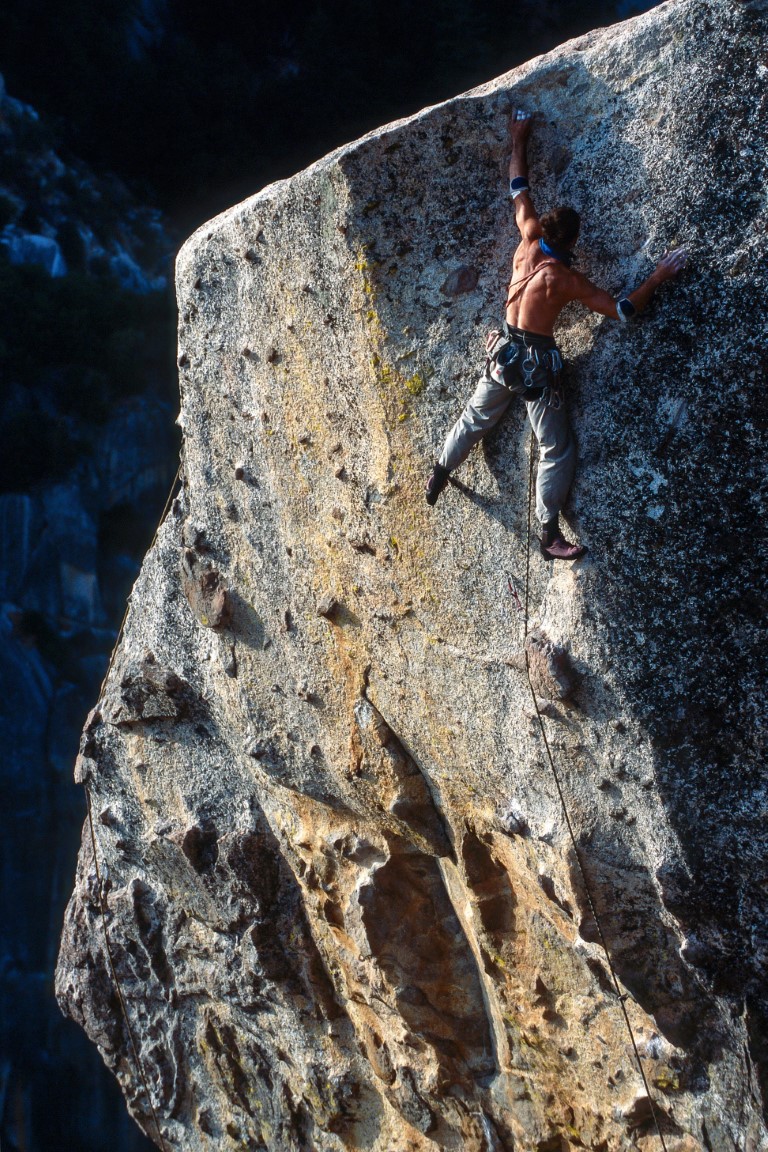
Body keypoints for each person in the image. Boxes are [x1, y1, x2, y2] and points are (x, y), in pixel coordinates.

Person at [425, 108, 687, 560]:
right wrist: (658, 276)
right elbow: (622, 310)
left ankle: (441, 469)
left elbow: (518, 186)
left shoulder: (526, 237)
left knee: (475, 418)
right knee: (557, 448)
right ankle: (548, 535)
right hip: (534, 367)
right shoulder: (563, 280)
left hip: (502, 350)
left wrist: (518, 139)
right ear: (570, 244)